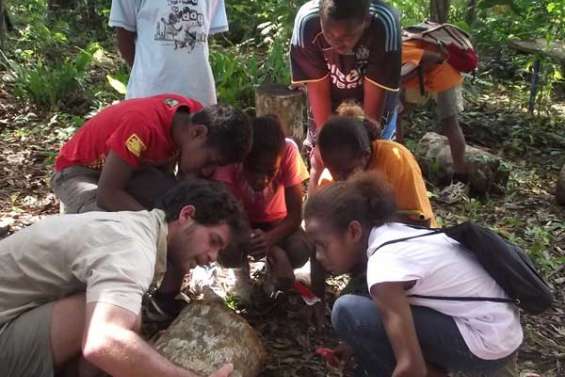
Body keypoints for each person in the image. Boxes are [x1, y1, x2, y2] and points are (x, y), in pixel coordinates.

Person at [0, 178, 249, 377]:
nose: (212, 257)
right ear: (186, 215)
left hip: (14, 315)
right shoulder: (133, 248)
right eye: (213, 241)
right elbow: (103, 341)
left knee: (124, 313)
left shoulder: (134, 226)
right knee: (114, 321)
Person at [303, 171, 522, 377]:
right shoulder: (393, 233)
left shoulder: (383, 265)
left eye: (322, 246)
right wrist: (355, 343)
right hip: (500, 329)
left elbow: (411, 367)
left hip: (487, 342)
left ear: (354, 231)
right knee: (361, 309)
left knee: (347, 311)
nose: (319, 257)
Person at [52, 94, 252, 213]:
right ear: (198, 133)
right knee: (106, 225)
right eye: (210, 161)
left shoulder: (193, 116)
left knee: (177, 204)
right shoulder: (142, 126)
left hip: (133, 171)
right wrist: (155, 226)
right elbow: (108, 194)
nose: (208, 171)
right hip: (77, 173)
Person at [290, 0, 401, 188]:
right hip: (328, 101)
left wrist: (363, 150)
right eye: (329, 33)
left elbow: (370, 120)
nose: (337, 42)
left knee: (371, 161)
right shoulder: (308, 22)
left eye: (348, 36)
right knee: (323, 160)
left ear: (365, 21)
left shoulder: (383, 23)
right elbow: (318, 89)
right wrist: (325, 147)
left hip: (371, 106)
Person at [213, 116, 312, 291]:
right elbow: (228, 213)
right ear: (243, 160)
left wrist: (270, 239)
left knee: (300, 250)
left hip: (279, 222)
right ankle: (241, 274)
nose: (262, 179)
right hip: (240, 221)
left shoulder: (288, 151)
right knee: (227, 251)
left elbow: (295, 216)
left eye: (271, 171)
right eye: (254, 170)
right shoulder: (232, 157)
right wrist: (274, 250)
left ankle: (272, 273)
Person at [318, 114, 436, 227]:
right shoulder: (328, 179)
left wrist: (368, 219)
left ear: (365, 156)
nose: (342, 180)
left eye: (348, 171)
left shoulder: (396, 160)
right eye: (335, 173)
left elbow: (421, 223)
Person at [109, 0, 228, 105]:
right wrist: (146, 72)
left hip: (199, 96)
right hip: (149, 97)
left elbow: (202, 38)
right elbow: (124, 40)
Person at [401, 39, 468, 179]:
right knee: (396, 116)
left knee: (450, 123)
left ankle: (460, 174)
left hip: (445, 75)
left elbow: (436, 57)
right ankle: (401, 163)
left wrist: (402, 79)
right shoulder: (391, 52)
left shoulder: (400, 49)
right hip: (420, 80)